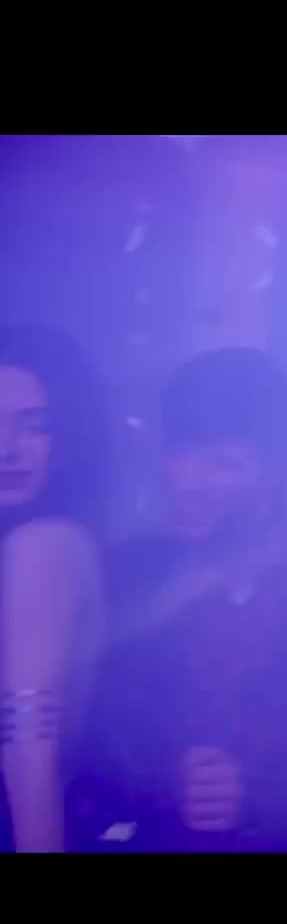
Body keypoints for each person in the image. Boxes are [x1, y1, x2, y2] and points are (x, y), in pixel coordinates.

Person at [80, 348, 287, 852]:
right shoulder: (127, 577)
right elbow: (91, 730)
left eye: (224, 464)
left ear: (279, 474)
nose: (188, 482)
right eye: (180, 452)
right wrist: (161, 773)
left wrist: (252, 796)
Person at [0, 326, 109, 853]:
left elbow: (28, 736)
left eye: (34, 426)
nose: (6, 449)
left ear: (70, 436)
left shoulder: (41, 546)